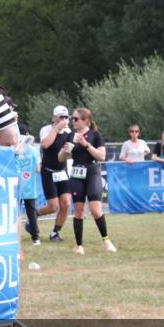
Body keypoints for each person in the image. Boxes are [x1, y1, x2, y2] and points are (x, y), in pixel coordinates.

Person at [59, 108, 116, 255]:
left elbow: (102, 156)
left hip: (92, 173)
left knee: (96, 210)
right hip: (77, 174)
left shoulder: (95, 135)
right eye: (73, 118)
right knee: (79, 211)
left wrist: (86, 144)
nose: (73, 121)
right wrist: (65, 151)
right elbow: (60, 159)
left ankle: (106, 241)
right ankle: (79, 246)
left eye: (76, 119)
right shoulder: (70, 135)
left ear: (86, 121)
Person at [39, 105, 73, 242]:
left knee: (66, 204)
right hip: (48, 171)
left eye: (66, 117)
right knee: (53, 207)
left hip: (62, 171)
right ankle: (33, 216)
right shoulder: (46, 129)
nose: (64, 120)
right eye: (61, 117)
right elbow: (45, 145)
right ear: (54, 118)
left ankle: (55, 233)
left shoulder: (68, 131)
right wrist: (56, 129)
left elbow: (69, 152)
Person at [16, 132, 41, 247]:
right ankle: (36, 239)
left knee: (16, 214)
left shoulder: (14, 149)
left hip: (17, 185)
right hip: (30, 187)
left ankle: (16, 238)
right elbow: (37, 169)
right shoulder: (33, 150)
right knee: (31, 214)